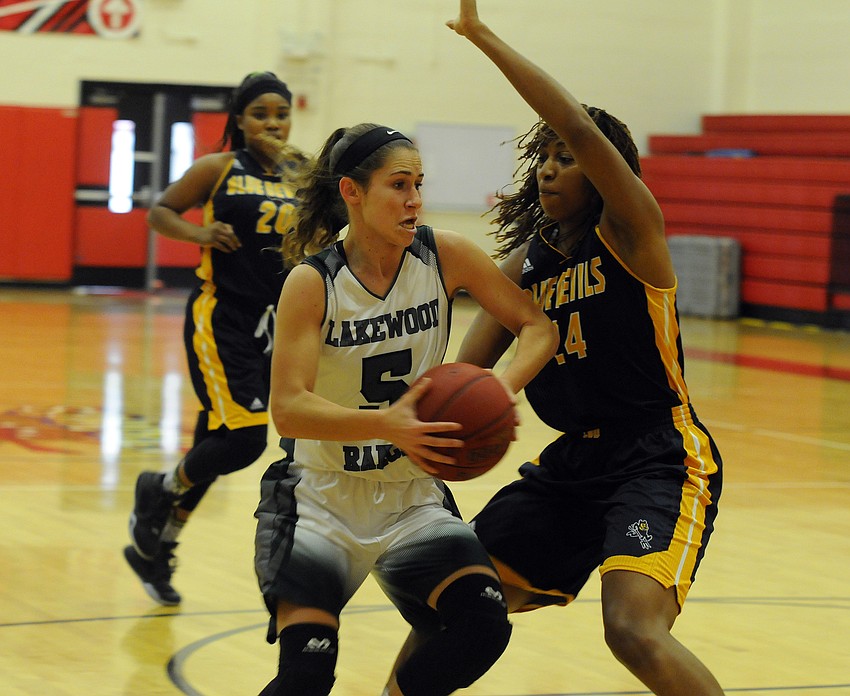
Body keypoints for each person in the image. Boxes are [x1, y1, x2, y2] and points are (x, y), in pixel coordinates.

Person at [444, 2, 726, 695]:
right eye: (542, 157)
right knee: (451, 597)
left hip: (659, 455)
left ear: (604, 174)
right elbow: (460, 374)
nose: (547, 168)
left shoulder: (633, 233)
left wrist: (483, 38)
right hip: (573, 463)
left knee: (631, 631)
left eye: (564, 158)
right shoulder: (525, 266)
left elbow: (574, 119)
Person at [252, 122, 558, 696]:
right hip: (320, 498)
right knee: (306, 676)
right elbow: (289, 410)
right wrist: (385, 424)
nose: (415, 199)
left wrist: (500, 389)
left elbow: (537, 327)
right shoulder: (313, 282)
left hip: (411, 497)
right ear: (352, 192)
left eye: (419, 184)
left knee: (482, 628)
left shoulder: (447, 256)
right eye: (399, 185)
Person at [124, 71, 310, 606]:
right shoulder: (219, 167)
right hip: (222, 316)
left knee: (215, 440)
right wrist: (200, 234)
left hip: (278, 325)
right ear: (240, 120)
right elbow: (161, 211)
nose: (273, 122)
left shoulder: (301, 171)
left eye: (281, 112)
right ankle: (158, 489)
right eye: (260, 113)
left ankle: (156, 547)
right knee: (245, 439)